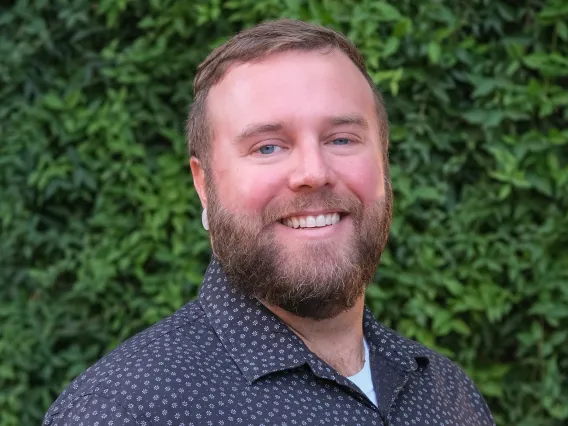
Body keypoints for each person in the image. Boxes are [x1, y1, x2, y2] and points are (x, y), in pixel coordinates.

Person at [43, 19, 495, 426]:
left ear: (384, 162)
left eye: (341, 138)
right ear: (204, 185)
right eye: (268, 147)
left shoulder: (448, 393)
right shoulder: (124, 410)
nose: (313, 172)